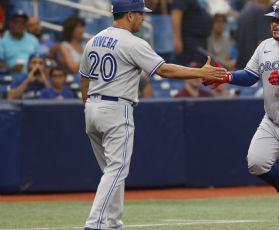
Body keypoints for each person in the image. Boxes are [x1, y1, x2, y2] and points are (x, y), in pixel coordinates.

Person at [79, 0, 226, 229]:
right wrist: (200, 72)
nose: (143, 18)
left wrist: (88, 105)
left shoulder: (94, 39)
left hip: (92, 108)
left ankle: (114, 224)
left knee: (112, 172)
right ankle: (95, 224)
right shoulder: (132, 42)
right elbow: (164, 70)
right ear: (128, 15)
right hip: (116, 109)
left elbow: (84, 77)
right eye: (140, 13)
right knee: (116, 171)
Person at [203, 1, 279, 229]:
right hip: (272, 120)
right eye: (273, 20)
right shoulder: (265, 46)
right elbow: (250, 75)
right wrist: (226, 77)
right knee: (256, 163)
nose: (274, 24)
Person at [172, 0, 212, 67]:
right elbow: (176, 15)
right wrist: (177, 39)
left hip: (201, 41)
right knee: (190, 69)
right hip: (189, 41)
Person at [0, 9, 42, 73]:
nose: (20, 24)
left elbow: (41, 57)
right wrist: (10, 69)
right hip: (10, 77)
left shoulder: (32, 39)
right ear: (10, 23)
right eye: (17, 22)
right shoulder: (2, 39)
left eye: (23, 22)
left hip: (32, 75)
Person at [235, 0, 274, 69]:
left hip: (242, 61)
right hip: (254, 65)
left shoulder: (244, 9)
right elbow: (262, 42)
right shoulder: (259, 12)